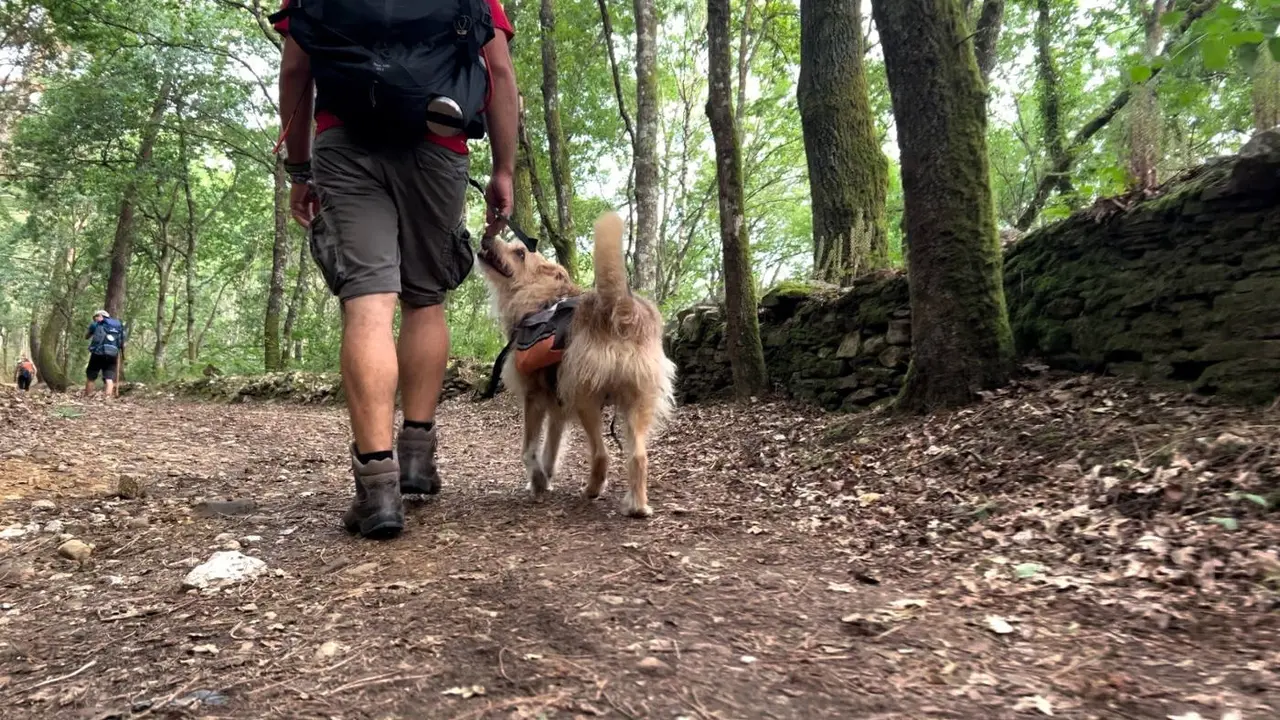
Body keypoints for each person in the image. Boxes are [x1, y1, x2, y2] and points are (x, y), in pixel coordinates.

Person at [270, 0, 519, 539]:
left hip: (346, 142)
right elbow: (498, 71)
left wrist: (298, 166)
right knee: (424, 298)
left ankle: (377, 488)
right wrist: (503, 169)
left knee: (368, 302)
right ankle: (416, 459)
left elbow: (296, 69)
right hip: (438, 141)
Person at [85, 310, 124, 398]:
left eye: (95, 317)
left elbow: (86, 336)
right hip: (112, 355)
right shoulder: (117, 326)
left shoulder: (96, 324)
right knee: (109, 378)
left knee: (91, 376)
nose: (95, 319)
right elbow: (121, 341)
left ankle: (87, 397)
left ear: (100, 316)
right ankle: (107, 398)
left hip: (98, 353)